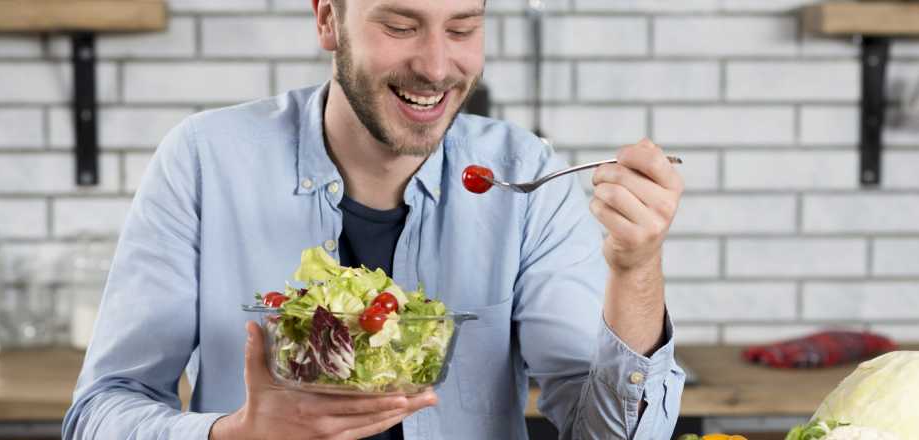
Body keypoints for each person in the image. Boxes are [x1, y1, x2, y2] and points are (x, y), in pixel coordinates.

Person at [62, 0, 686, 438]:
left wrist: (636, 271)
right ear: (328, 19)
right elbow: (99, 413)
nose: (438, 67)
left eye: (463, 27)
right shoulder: (204, 160)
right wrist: (234, 435)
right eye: (400, 25)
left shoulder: (524, 175)